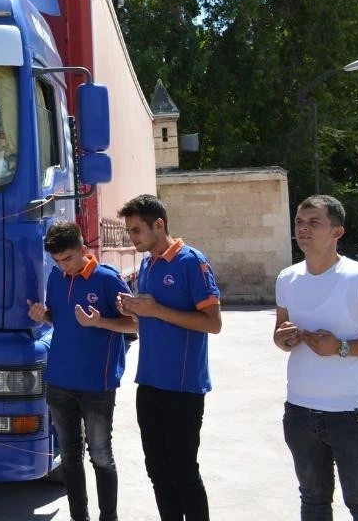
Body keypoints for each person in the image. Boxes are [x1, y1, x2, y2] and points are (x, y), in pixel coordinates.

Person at [274, 195, 358, 520]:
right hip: (300, 412)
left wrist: (342, 347)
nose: (303, 229)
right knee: (313, 501)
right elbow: (279, 334)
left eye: (314, 222)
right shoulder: (287, 278)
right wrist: (283, 338)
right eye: (299, 222)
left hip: (352, 415)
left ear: (337, 232)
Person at [117, 194, 222, 521]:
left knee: (184, 472)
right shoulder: (147, 263)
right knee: (157, 471)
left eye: (136, 230)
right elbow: (151, 319)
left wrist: (155, 310)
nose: (132, 238)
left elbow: (213, 324)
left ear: (159, 225)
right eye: (129, 231)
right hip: (149, 383)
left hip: (183, 387)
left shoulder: (192, 262)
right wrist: (133, 310)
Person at [28, 220, 134, 521]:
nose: (64, 266)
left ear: (83, 249)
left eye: (68, 258)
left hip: (97, 385)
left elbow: (136, 323)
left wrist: (99, 322)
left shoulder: (108, 279)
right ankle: (79, 517)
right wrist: (43, 315)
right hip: (59, 383)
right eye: (57, 261)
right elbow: (59, 318)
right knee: (70, 457)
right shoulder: (57, 277)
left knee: (100, 456)